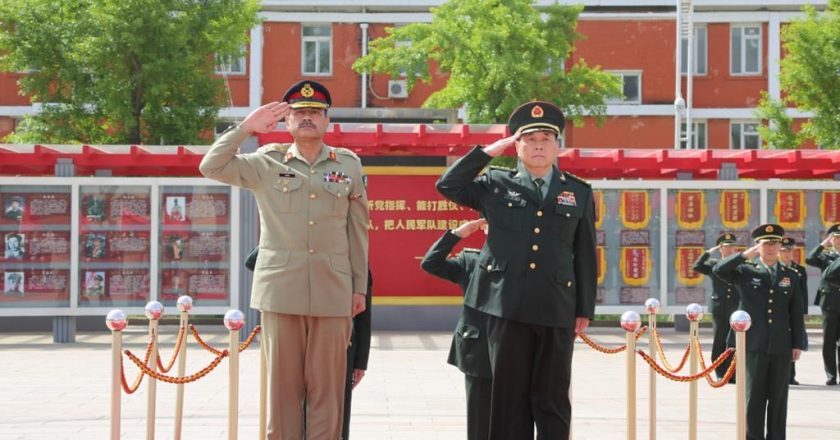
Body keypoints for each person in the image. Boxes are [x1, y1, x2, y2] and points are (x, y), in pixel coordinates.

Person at [199, 79, 369, 439]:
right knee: (282, 390)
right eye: (299, 113)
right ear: (287, 121)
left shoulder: (349, 166)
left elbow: (358, 232)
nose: (307, 118)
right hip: (281, 289)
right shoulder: (265, 162)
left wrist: (359, 288)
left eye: (315, 113)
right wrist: (245, 127)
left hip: (333, 290)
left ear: (327, 121)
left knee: (328, 391)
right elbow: (211, 166)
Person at [437, 101, 597, 440]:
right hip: (505, 306)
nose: (538, 145)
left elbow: (584, 253)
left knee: (553, 400)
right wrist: (487, 152)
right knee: (507, 404)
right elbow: (448, 185)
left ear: (557, 145)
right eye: (530, 138)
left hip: (556, 306)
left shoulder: (578, 191)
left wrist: (584, 308)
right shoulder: (495, 183)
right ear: (517, 146)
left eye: (546, 138)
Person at [713, 224, 804, 440]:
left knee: (779, 399)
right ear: (757, 246)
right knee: (754, 398)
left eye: (774, 243)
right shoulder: (745, 271)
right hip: (752, 344)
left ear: (780, 245)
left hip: (781, 345)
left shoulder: (791, 275)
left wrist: (797, 343)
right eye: (766, 243)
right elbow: (719, 270)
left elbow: (796, 312)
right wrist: (744, 255)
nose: (771, 248)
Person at [420, 218, 492, 440]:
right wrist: (457, 235)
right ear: (485, 226)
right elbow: (430, 263)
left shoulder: (527, 260)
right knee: (480, 420)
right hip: (479, 350)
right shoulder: (471, 260)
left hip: (516, 348)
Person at [692, 232, 739, 382]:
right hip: (720, 308)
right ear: (721, 249)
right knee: (720, 340)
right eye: (726, 247)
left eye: (732, 246)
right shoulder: (713, 264)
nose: (729, 249)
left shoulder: (739, 264)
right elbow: (697, 266)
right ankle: (719, 371)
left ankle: (733, 372)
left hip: (736, 308)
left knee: (734, 341)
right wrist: (708, 252)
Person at [805, 223, 840, 386]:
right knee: (829, 340)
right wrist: (822, 245)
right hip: (830, 302)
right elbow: (810, 259)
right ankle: (831, 374)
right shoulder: (827, 257)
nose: (839, 241)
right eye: (836, 238)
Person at [341, 269, 372, 440]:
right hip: (302, 340)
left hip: (344, 347)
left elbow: (364, 317)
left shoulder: (356, 264)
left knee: (340, 414)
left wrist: (360, 362)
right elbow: (253, 260)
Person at [779, 237, 809, 385]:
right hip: (779, 311)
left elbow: (803, 294)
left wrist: (803, 313)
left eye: (789, 250)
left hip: (793, 312)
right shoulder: (774, 269)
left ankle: (791, 375)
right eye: (783, 250)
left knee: (794, 342)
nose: (786, 253)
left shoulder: (799, 270)